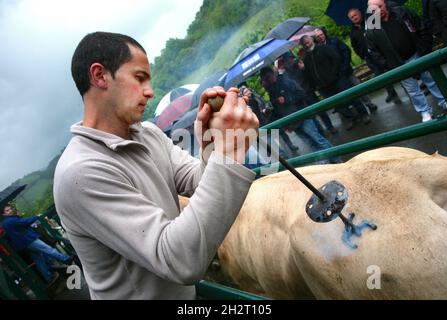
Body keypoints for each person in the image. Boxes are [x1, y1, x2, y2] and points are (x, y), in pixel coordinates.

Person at [53, 32, 259, 299]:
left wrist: (213, 144)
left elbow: (197, 180)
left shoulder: (147, 132)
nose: (149, 91)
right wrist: (230, 150)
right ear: (100, 76)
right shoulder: (80, 172)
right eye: (139, 78)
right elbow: (180, 260)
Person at [366, 0, 447, 121]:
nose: (378, 10)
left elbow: (420, 26)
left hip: (417, 54)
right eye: (374, 9)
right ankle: (425, 111)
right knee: (413, 91)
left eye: (380, 6)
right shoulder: (371, 26)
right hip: (398, 64)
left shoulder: (401, 11)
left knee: (431, 80)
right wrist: (388, 64)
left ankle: (444, 101)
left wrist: (424, 49)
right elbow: (373, 51)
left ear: (385, 3)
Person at [259, 67, 342, 164]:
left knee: (318, 140)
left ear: (272, 75)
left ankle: (336, 159)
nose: (265, 82)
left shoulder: (285, 81)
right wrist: (285, 125)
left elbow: (301, 94)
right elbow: (278, 109)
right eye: (264, 80)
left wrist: (286, 99)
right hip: (292, 123)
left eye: (267, 78)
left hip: (302, 117)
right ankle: (326, 162)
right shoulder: (271, 91)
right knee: (310, 143)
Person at [300, 35, 370, 130]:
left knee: (351, 96)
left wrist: (335, 73)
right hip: (323, 86)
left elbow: (336, 58)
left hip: (337, 79)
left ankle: (363, 114)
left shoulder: (323, 48)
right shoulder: (306, 58)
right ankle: (351, 118)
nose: (307, 45)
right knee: (337, 104)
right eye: (305, 44)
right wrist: (315, 83)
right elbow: (309, 73)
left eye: (307, 42)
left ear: (311, 40)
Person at [1, 204, 71, 284]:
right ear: (4, 214)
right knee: (48, 249)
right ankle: (66, 259)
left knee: (38, 259)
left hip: (24, 243)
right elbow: (25, 222)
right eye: (7, 210)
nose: (10, 211)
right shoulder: (10, 220)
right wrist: (36, 216)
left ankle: (48, 277)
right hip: (28, 239)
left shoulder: (5, 223)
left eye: (10, 209)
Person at [314, 27, 379, 113]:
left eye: (321, 34)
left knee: (358, 87)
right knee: (349, 94)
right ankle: (360, 111)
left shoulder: (334, 41)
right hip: (337, 76)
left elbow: (346, 51)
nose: (320, 37)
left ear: (324, 33)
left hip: (346, 70)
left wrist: (345, 66)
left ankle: (369, 104)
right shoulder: (318, 49)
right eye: (317, 36)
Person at [347, 7, 401, 104]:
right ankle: (391, 92)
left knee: (393, 70)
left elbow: (380, 33)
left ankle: (405, 86)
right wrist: (363, 55)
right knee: (380, 76)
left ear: (359, 13)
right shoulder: (352, 31)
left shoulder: (370, 21)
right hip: (369, 58)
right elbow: (355, 46)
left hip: (380, 53)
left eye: (355, 15)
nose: (354, 18)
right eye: (351, 17)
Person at [279, 51, 338, 135]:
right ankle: (321, 131)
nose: (291, 60)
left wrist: (303, 68)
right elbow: (286, 85)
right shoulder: (285, 73)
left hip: (308, 91)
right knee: (311, 115)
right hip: (301, 96)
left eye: (291, 58)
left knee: (320, 111)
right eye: (289, 59)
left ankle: (329, 127)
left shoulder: (299, 64)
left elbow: (309, 74)